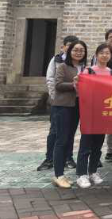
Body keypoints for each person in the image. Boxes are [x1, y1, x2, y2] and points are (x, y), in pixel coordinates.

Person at [37, 35, 78, 172]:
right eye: (69, 46)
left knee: (70, 131)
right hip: (59, 102)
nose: (72, 49)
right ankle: (49, 158)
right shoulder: (56, 60)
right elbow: (50, 79)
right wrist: (55, 98)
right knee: (55, 131)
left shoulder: (80, 62)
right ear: (63, 47)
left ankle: (68, 158)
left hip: (74, 102)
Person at [76, 43, 112, 188]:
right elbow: (81, 90)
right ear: (96, 55)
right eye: (102, 53)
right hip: (89, 112)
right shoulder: (89, 70)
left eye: (107, 53)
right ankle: (81, 174)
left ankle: (93, 171)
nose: (105, 55)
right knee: (86, 144)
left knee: (98, 145)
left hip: (103, 113)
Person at [51, 40, 87, 188]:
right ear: (69, 51)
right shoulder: (63, 66)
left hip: (77, 107)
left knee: (69, 139)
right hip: (63, 106)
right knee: (61, 139)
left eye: (81, 50)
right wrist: (74, 84)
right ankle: (58, 175)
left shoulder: (85, 68)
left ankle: (62, 174)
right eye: (75, 50)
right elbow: (58, 85)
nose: (78, 52)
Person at [92, 29, 112, 163]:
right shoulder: (99, 56)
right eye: (111, 37)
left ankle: (111, 151)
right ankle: (95, 154)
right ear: (106, 39)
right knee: (99, 126)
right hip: (101, 96)